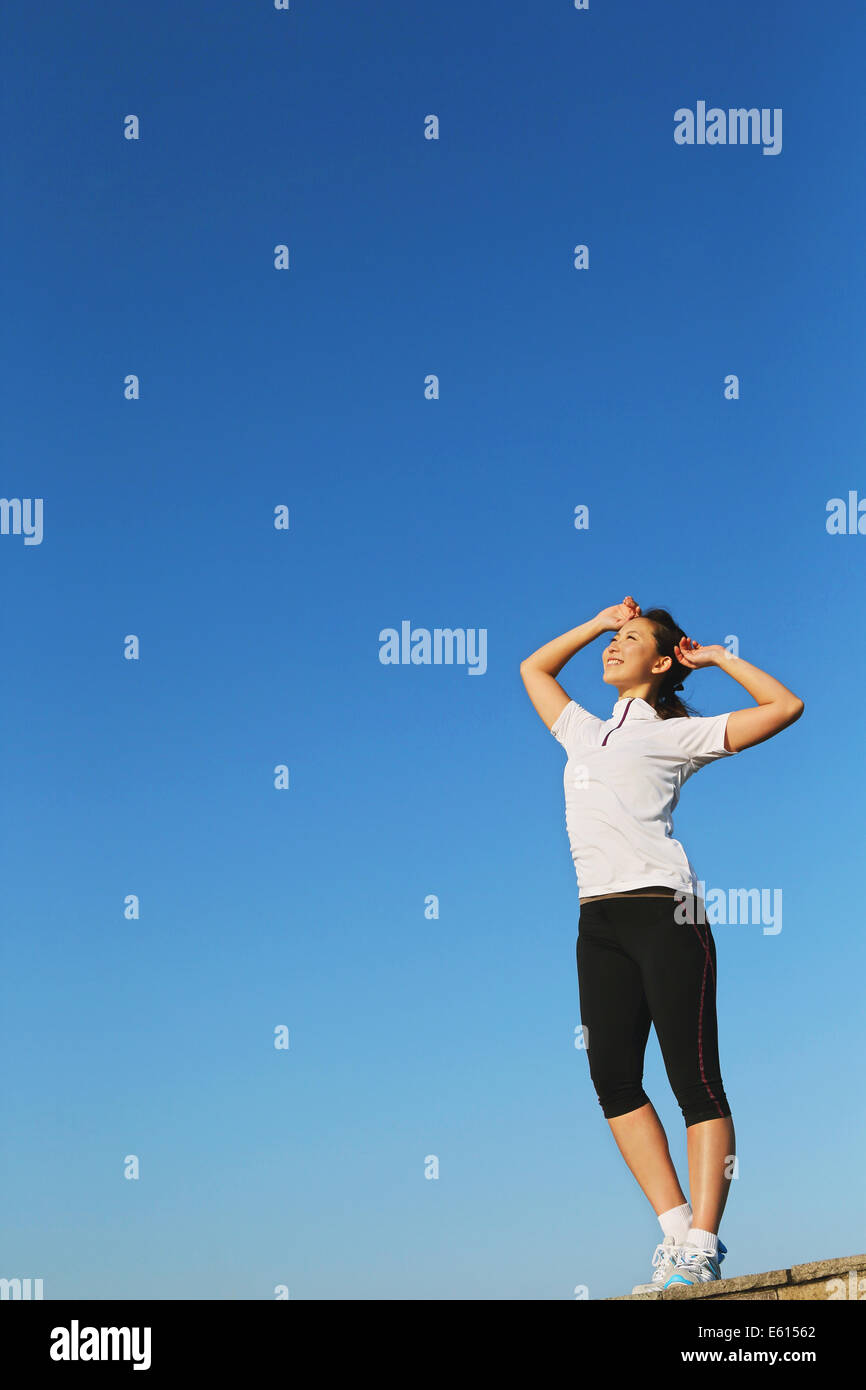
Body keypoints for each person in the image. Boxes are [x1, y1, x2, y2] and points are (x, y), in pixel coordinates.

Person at [519, 596, 803, 1294]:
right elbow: (533, 667)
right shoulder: (583, 731)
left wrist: (718, 659)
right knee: (612, 1078)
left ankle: (703, 1244)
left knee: (694, 1079)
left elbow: (784, 707)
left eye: (630, 639)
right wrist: (595, 623)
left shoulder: (679, 735)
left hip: (665, 913)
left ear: (660, 660)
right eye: (612, 639)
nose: (613, 648)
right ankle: (674, 1233)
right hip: (599, 922)